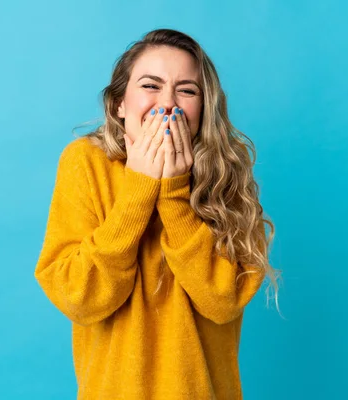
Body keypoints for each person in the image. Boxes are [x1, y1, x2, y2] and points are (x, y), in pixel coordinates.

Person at [34, 28, 282, 400]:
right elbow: (79, 297)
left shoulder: (226, 172)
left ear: (205, 107)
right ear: (119, 103)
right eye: (150, 85)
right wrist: (139, 188)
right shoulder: (85, 164)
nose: (169, 104)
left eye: (187, 90)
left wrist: (173, 192)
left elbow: (222, 300)